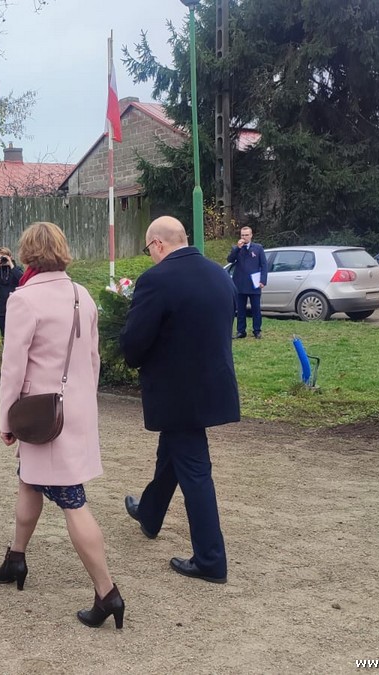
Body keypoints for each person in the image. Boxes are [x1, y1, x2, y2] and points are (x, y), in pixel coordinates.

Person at [0, 221, 124, 629]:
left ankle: (107, 591)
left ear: (27, 253)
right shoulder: (83, 295)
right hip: (76, 408)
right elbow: (93, 359)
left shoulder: (23, 300)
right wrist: (84, 399)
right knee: (28, 479)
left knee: (72, 499)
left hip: (42, 413)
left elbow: (12, 367)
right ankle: (16, 557)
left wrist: (7, 419)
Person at [120, 216, 239, 584]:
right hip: (213, 385)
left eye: (148, 249)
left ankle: (211, 560)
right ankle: (150, 513)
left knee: (195, 471)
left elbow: (134, 344)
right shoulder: (220, 275)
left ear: (158, 244)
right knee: (171, 453)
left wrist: (129, 346)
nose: (150, 256)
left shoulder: (156, 279)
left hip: (177, 392)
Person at [226, 226, 268, 339]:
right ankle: (241, 331)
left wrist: (263, 280)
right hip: (239, 283)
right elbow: (230, 259)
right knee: (240, 309)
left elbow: (264, 265)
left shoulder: (258, 248)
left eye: (246, 235)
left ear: (251, 235)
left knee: (256, 309)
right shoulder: (237, 248)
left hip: (254, 283)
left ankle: (257, 330)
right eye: (242, 235)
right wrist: (237, 248)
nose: (244, 237)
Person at [0, 247, 23, 337]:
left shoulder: (16, 269)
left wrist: (11, 265)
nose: (3, 259)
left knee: (15, 332)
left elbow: (21, 279)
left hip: (14, 305)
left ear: (10, 257)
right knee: (4, 333)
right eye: (0, 257)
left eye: (4, 257)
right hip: (0, 306)